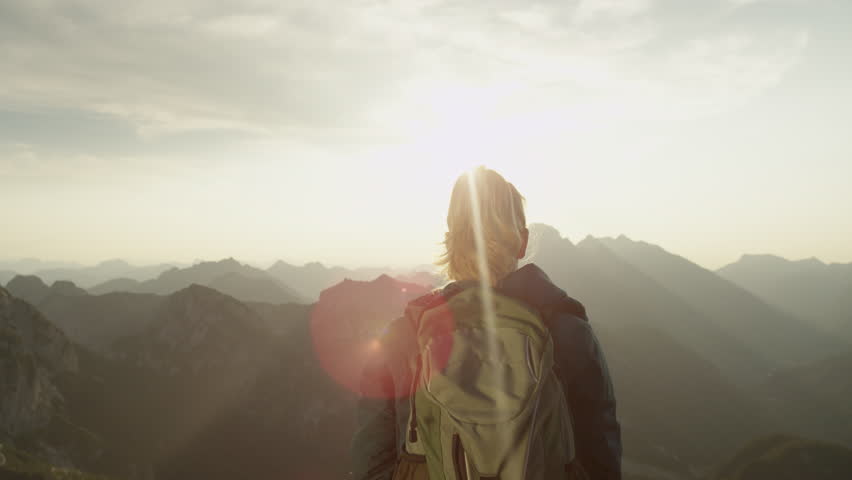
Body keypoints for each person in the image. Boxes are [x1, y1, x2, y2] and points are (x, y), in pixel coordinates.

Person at [350, 166, 621, 480]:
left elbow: (371, 461)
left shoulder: (404, 336)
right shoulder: (569, 332)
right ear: (523, 241)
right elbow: (600, 456)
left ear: (450, 240)